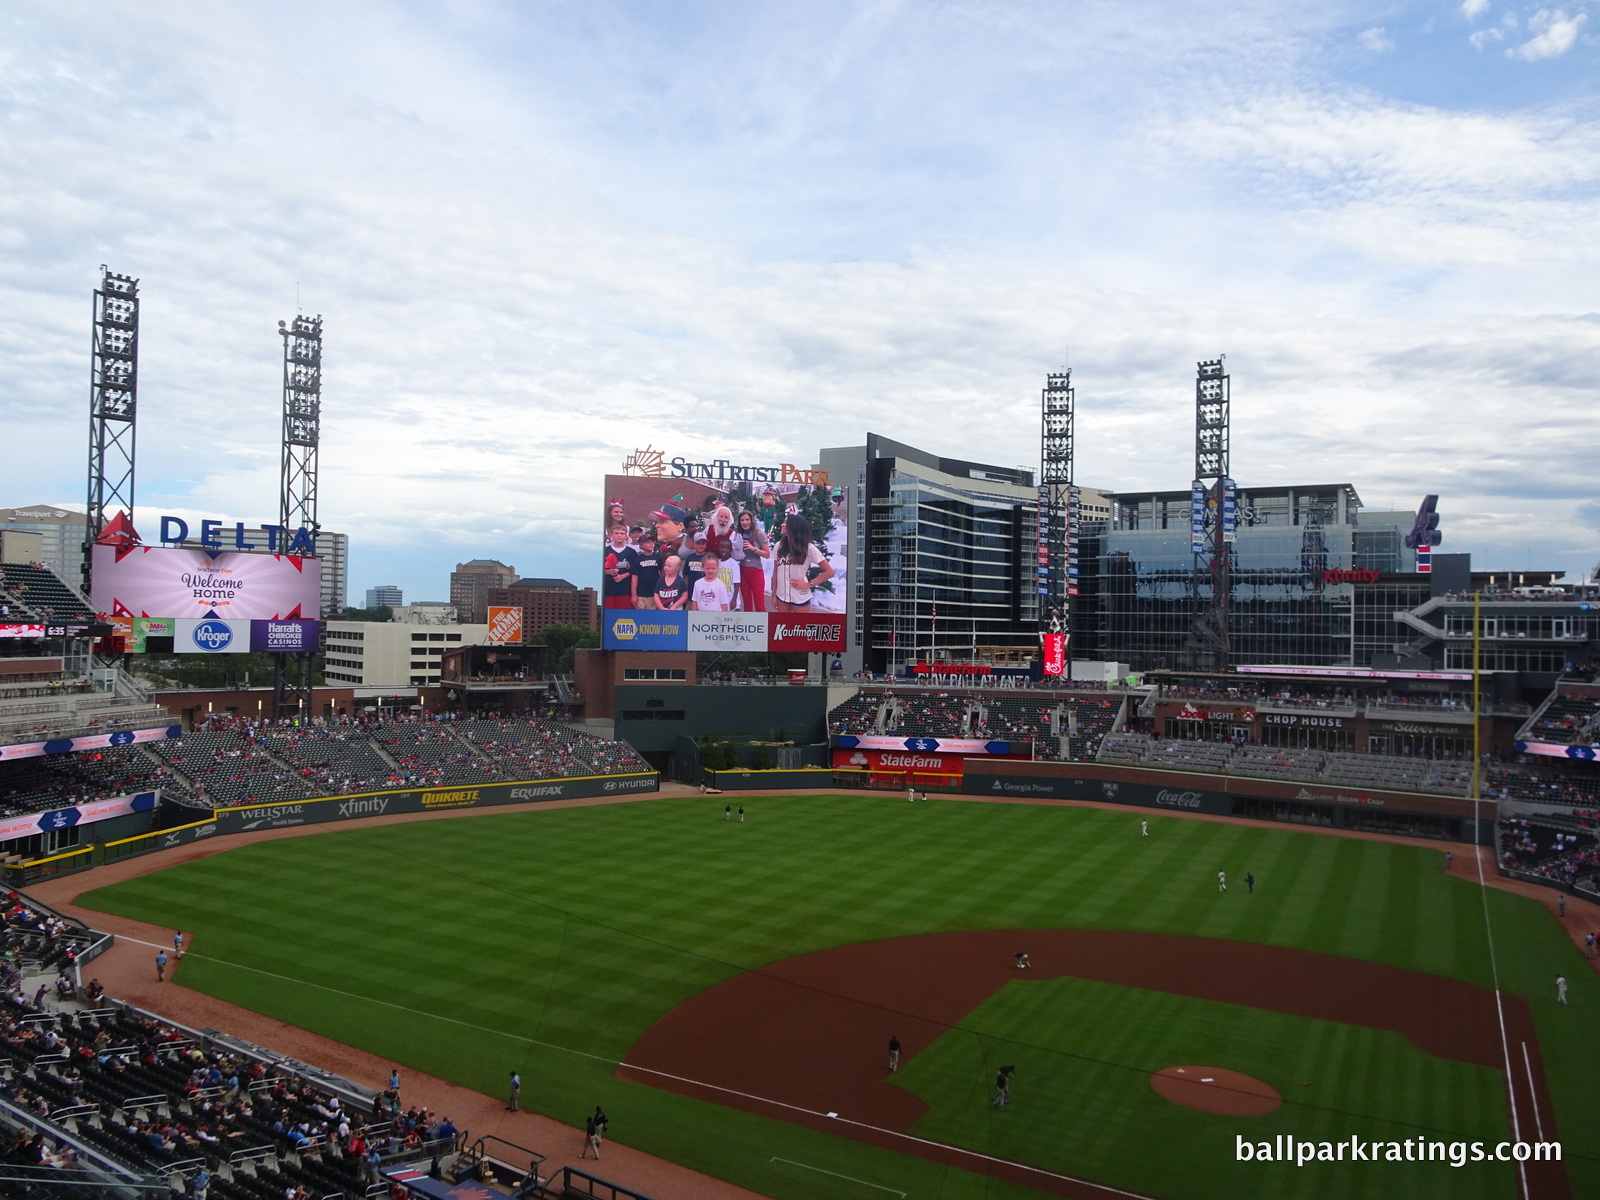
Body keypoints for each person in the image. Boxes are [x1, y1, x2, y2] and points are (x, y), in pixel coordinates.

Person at [769, 513, 834, 612]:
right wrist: (774, 594)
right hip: (781, 596)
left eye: (786, 522)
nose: (782, 524)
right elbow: (775, 572)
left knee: (800, 626)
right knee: (784, 626)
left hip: (800, 597)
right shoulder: (779, 546)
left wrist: (809, 584)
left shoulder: (808, 548)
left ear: (794, 526)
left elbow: (829, 571)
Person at [734, 510, 770, 612]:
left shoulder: (759, 533)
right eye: (742, 520)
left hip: (756, 571)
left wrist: (753, 548)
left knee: (759, 605)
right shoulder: (738, 534)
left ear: (751, 520)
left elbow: (767, 554)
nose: (745, 522)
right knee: (747, 605)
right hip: (743, 571)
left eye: (747, 519)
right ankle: (748, 626)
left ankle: (762, 626)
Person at [602, 526, 638, 610]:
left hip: (625, 590)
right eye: (616, 533)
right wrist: (608, 572)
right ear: (611, 535)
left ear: (626, 536)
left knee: (624, 617)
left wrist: (623, 576)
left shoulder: (631, 552)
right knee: (609, 617)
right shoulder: (605, 551)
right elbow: (597, 569)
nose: (619, 535)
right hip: (608, 590)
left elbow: (635, 570)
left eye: (622, 534)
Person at [632, 534, 661, 609]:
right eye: (648, 542)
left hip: (655, 593)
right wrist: (634, 595)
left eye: (652, 542)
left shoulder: (658, 557)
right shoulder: (637, 560)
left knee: (653, 616)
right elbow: (634, 577)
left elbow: (663, 574)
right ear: (641, 545)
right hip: (641, 594)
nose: (651, 544)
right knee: (640, 616)